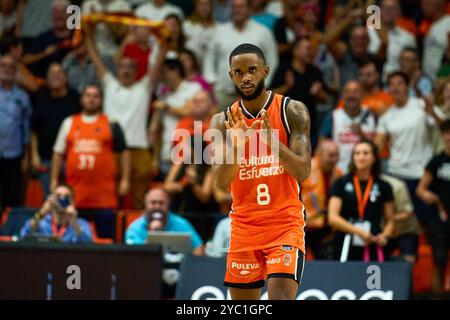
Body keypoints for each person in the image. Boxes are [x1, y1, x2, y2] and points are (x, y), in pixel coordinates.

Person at [211, 43, 311, 300]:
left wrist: (271, 141)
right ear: (231, 76)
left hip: (284, 224)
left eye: (252, 69)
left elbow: (303, 171)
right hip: (244, 227)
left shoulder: (292, 111)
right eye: (239, 72)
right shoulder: (221, 122)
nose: (246, 77)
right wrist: (239, 146)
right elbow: (220, 182)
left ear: (265, 71)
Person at [86, 20, 166, 209]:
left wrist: (163, 39)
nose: (126, 70)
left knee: (139, 200)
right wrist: (87, 36)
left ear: (137, 71)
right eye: (123, 67)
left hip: (139, 148)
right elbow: (95, 58)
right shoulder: (109, 84)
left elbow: (158, 61)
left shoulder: (144, 87)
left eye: (131, 67)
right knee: (109, 196)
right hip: (110, 149)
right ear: (117, 69)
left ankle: (137, 235)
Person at [51, 85, 130, 239]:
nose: (91, 99)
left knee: (106, 244)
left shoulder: (111, 123)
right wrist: (54, 180)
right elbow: (57, 153)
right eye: (88, 95)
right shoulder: (69, 122)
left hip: (104, 197)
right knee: (74, 240)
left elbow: (124, 152)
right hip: (76, 196)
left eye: (96, 96)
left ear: (101, 100)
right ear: (81, 99)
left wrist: (125, 179)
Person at [375, 72, 439, 222]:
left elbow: (442, 126)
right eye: (391, 84)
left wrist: (431, 112)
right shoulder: (386, 116)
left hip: (421, 174)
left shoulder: (421, 105)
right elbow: (377, 146)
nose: (395, 88)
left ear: (407, 86)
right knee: (401, 223)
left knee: (426, 221)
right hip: (396, 174)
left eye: (399, 83)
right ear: (388, 89)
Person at [204, 0, 278, 110]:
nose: (237, 10)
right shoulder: (219, 31)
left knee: (252, 126)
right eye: (234, 7)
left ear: (249, 9)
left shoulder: (263, 32)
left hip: (253, 93)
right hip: (222, 93)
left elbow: (273, 60)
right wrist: (211, 82)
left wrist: (264, 84)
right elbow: (209, 58)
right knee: (219, 126)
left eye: (241, 7)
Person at [328, 140, 395, 261]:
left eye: (365, 153)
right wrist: (358, 231)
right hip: (345, 241)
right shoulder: (341, 183)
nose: (361, 157)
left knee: (372, 279)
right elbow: (332, 218)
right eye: (357, 153)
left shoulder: (384, 186)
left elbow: (390, 219)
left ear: (374, 158)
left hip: (373, 242)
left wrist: (385, 235)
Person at [31, 63, 81, 198]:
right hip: (47, 158)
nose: (55, 76)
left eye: (59, 73)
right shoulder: (42, 99)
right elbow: (34, 130)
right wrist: (34, 155)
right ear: (47, 79)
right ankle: (50, 220)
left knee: (73, 197)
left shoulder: (76, 99)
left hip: (71, 158)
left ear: (66, 77)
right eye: (52, 73)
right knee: (50, 197)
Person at [149, 58, 202, 176]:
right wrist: (154, 159)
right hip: (167, 155)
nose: (163, 77)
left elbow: (189, 111)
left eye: (165, 72)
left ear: (176, 71)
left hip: (189, 154)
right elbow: (156, 131)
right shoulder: (164, 98)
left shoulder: (193, 88)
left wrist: (166, 107)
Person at [271, 37, 327, 148]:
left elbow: (325, 99)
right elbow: (269, 95)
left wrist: (318, 93)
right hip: (285, 124)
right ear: (295, 51)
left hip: (308, 125)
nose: (311, 52)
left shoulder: (315, 72)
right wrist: (286, 87)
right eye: (308, 49)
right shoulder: (284, 69)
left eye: (312, 49)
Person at [416, 119, 450, 294]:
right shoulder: (436, 162)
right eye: (447, 133)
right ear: (443, 136)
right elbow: (420, 189)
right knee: (439, 259)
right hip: (439, 218)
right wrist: (429, 195)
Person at [125, 188, 204, 255]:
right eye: (153, 202)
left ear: (168, 204)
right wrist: (153, 234)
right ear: (145, 205)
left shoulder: (181, 223)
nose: (157, 206)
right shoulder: (134, 228)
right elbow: (133, 256)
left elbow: (198, 247)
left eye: (161, 203)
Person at [320, 81, 377, 173]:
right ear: (342, 96)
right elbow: (321, 147)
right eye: (348, 91)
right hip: (340, 172)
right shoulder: (333, 116)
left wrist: (361, 134)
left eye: (355, 91)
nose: (351, 95)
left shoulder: (372, 115)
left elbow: (376, 148)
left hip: (366, 173)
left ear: (362, 95)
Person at [301, 139, 342, 259]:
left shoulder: (338, 174)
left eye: (336, 156)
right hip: (304, 225)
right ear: (320, 154)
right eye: (331, 156)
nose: (334, 160)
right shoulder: (305, 170)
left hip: (325, 227)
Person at [0, 53, 31, 211]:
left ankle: (8, 234)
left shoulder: (22, 96)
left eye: (11, 66)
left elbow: (26, 127)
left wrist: (26, 156)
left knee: (11, 198)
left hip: (13, 154)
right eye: (3, 65)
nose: (7, 69)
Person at [20, 184, 93, 243]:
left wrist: (74, 223)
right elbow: (23, 235)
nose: (62, 199)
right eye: (58, 196)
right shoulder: (42, 222)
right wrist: (41, 212)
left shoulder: (81, 224)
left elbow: (88, 244)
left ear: (73, 202)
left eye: (66, 197)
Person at [22, 0, 73, 78]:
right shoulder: (43, 37)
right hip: (45, 84)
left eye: (62, 12)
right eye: (56, 12)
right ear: (51, 15)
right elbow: (25, 60)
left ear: (69, 15)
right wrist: (44, 54)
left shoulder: (76, 36)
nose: (59, 15)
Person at [367, 0, 416, 81]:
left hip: (396, 84)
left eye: (392, 8)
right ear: (378, 11)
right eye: (385, 8)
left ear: (399, 12)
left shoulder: (408, 37)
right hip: (372, 82)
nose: (388, 11)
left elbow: (412, 65)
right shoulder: (368, 34)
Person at [382, 174, 420, 264]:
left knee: (408, 261)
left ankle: (406, 277)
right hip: (382, 231)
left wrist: (386, 218)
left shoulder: (397, 185)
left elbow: (407, 213)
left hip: (405, 229)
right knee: (378, 261)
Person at [421, 0, 450, 80]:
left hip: (443, 79)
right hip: (428, 80)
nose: (422, 8)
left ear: (435, 5)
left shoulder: (448, 23)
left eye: (425, 4)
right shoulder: (430, 24)